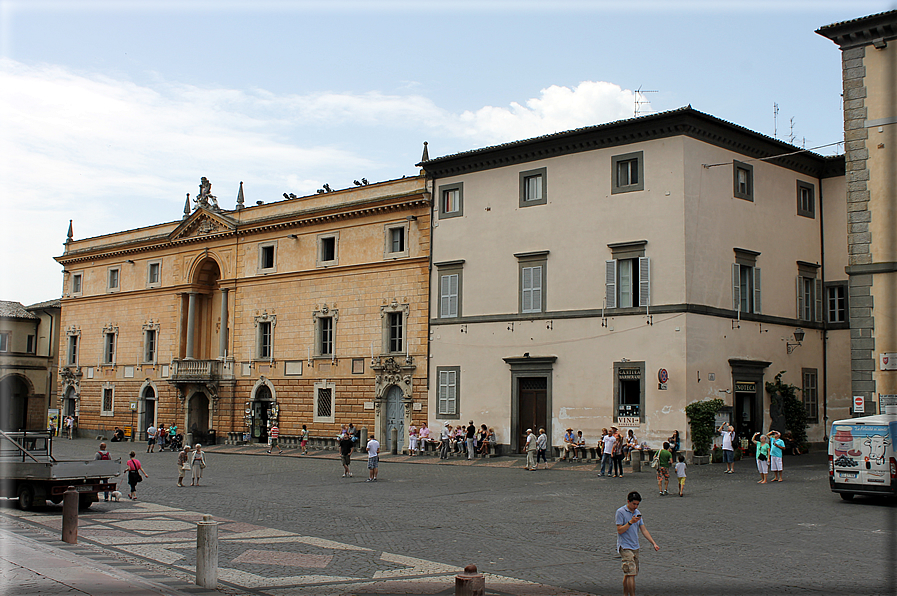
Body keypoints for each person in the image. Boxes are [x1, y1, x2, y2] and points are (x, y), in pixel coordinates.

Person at [615, 490, 660, 596]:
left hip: (635, 546)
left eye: (637, 504)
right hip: (625, 546)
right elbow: (620, 530)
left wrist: (653, 543)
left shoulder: (637, 513)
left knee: (629, 573)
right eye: (634, 504)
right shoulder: (620, 512)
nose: (635, 506)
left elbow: (643, 529)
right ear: (628, 501)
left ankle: (625, 594)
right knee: (631, 574)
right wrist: (630, 522)